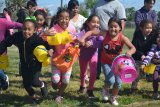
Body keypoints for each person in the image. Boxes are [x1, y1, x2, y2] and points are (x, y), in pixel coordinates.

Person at [79, 17, 136, 106]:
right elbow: (90, 32)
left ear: (120, 28)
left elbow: (133, 48)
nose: (113, 29)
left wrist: (130, 52)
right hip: (106, 62)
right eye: (111, 26)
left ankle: (113, 97)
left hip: (118, 64)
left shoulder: (122, 38)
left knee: (118, 82)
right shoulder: (105, 34)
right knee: (110, 80)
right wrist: (83, 38)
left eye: (115, 26)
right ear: (108, 27)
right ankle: (105, 89)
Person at [0, 19, 53, 104]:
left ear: (34, 30)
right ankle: (34, 98)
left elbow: (46, 44)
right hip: (24, 64)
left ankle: (42, 84)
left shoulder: (36, 38)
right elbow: (6, 42)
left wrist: (50, 49)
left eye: (29, 29)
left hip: (35, 63)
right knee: (26, 84)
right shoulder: (17, 36)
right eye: (24, 29)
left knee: (35, 82)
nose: (26, 31)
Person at [43, 8, 76, 103]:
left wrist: (76, 43)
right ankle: (55, 84)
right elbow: (45, 39)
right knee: (55, 81)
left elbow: (74, 40)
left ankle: (59, 95)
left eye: (66, 18)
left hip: (67, 59)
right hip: (56, 59)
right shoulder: (54, 29)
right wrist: (45, 35)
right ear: (57, 19)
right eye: (61, 18)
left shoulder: (72, 28)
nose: (64, 20)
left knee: (65, 81)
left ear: (69, 19)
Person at [91, 0, 126, 79]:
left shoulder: (118, 4)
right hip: (98, 35)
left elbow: (122, 21)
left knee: (109, 55)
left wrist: (118, 36)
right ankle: (96, 74)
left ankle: (112, 74)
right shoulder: (98, 3)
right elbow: (92, 17)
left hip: (111, 36)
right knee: (97, 55)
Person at [77, 14, 103, 98]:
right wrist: (83, 42)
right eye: (93, 22)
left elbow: (101, 43)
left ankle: (90, 89)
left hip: (93, 54)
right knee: (83, 72)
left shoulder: (99, 32)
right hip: (83, 55)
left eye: (98, 22)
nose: (96, 24)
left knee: (93, 72)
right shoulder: (84, 31)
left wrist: (92, 43)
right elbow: (79, 38)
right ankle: (82, 85)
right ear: (88, 23)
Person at [131, 19, 156, 92]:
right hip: (137, 57)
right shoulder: (137, 34)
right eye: (147, 28)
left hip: (148, 57)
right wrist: (141, 55)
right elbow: (134, 47)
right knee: (137, 72)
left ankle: (148, 77)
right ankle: (133, 87)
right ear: (141, 28)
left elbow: (153, 47)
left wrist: (149, 56)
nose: (149, 30)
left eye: (150, 28)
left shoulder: (152, 35)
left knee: (145, 73)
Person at [67, 0, 89, 81]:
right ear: (69, 9)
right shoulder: (67, 19)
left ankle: (84, 75)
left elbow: (87, 28)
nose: (75, 10)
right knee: (69, 59)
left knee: (83, 61)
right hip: (70, 43)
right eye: (73, 8)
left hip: (81, 43)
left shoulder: (82, 19)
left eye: (76, 8)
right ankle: (68, 73)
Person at [141, 27, 160, 99]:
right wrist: (144, 64)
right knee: (155, 79)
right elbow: (149, 56)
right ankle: (155, 92)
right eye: (158, 37)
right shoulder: (154, 48)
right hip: (156, 67)